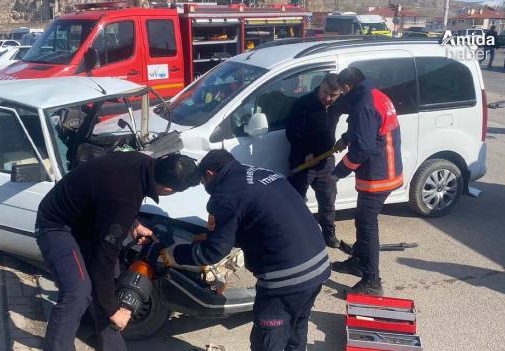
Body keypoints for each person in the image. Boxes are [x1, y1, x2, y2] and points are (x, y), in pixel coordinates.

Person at [148, 149, 331, 351]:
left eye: (203, 182)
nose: (205, 187)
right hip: (318, 265)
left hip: (286, 279)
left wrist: (174, 254)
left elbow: (212, 253)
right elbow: (260, 219)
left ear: (209, 175)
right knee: (295, 331)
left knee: (267, 342)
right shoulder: (262, 173)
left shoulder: (226, 195)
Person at [35, 152, 199, 351]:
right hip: (56, 225)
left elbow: (108, 194)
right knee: (78, 291)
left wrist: (134, 223)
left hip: (88, 222)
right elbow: (102, 261)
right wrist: (113, 311)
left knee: (106, 287)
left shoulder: (142, 163)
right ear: (167, 189)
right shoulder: (125, 198)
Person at [330, 68, 403, 296]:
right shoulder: (373, 95)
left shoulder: (364, 105)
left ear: (346, 87)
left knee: (366, 223)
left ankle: (372, 280)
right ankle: (359, 262)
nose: (339, 95)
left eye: (340, 91)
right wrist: (346, 138)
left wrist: (338, 172)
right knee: (362, 220)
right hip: (383, 170)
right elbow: (367, 131)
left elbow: (363, 148)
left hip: (379, 175)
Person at [285, 73, 344, 248]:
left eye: (333, 95)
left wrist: (347, 138)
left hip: (326, 160)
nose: (327, 98)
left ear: (340, 93)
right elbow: (291, 133)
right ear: (320, 85)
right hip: (302, 162)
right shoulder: (303, 104)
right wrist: (306, 152)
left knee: (328, 199)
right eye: (325, 92)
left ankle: (328, 234)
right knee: (296, 201)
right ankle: (301, 234)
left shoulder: (338, 104)